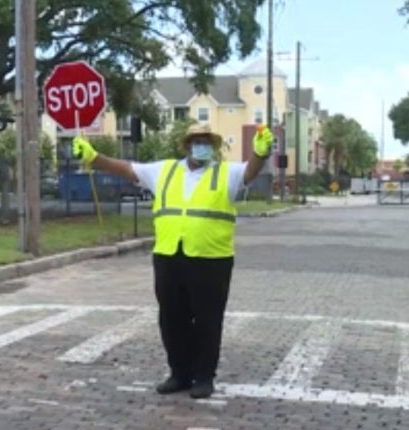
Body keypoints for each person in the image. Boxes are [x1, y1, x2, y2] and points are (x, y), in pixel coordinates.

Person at [72, 123, 274, 398]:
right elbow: (129, 169)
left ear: (212, 147)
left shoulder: (225, 173)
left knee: (207, 321)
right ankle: (179, 373)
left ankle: (204, 377)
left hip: (211, 258)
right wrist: (95, 158)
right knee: (171, 319)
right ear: (187, 145)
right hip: (169, 256)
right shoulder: (165, 170)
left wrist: (260, 152)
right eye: (196, 140)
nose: (201, 145)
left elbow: (250, 171)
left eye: (206, 141)